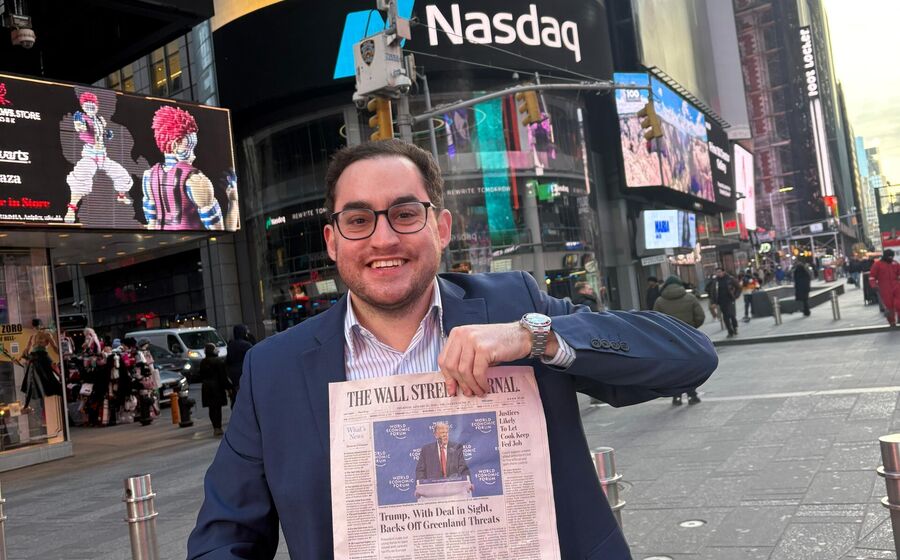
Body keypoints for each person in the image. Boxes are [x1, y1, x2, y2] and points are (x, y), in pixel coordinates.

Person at [187, 140, 717, 559]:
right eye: (358, 220)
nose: (382, 239)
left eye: (405, 213)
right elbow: (224, 535)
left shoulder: (516, 305)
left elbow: (690, 358)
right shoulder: (274, 370)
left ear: (441, 228)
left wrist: (535, 336)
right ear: (332, 241)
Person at [142, 105, 239, 231]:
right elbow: (221, 232)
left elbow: (151, 227)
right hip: (197, 241)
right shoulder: (196, 180)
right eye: (190, 147)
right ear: (175, 145)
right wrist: (233, 200)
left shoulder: (149, 176)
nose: (193, 156)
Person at [64, 91, 134, 224]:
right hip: (90, 155)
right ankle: (71, 210)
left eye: (92, 105)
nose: (90, 108)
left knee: (121, 173)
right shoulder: (82, 117)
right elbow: (81, 129)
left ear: (96, 106)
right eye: (87, 105)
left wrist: (107, 134)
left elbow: (102, 133)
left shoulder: (100, 120)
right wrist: (80, 126)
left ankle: (121, 195)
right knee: (80, 177)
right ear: (83, 106)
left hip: (102, 155)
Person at [653, 276, 705, 405]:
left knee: (674, 368)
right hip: (688, 337)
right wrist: (691, 328)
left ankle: (676, 396)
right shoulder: (690, 298)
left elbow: (655, 321)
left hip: (669, 340)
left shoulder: (659, 301)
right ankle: (692, 394)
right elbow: (700, 316)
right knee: (689, 367)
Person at [198, 342, 230, 436]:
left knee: (211, 408)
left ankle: (215, 427)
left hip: (206, 387)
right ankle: (218, 427)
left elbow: (200, 375)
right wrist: (228, 387)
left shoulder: (203, 362)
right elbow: (223, 376)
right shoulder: (218, 361)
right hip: (217, 387)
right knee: (217, 408)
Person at [868, 249, 900, 326]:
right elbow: (872, 276)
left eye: (892, 256)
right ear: (885, 256)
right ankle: (892, 321)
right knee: (889, 305)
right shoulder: (877, 264)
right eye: (889, 256)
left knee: (898, 303)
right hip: (884, 287)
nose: (891, 258)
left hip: (896, 286)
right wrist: (874, 285)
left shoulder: (895, 263)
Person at [225, 324, 253, 408]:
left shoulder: (231, 345)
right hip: (244, 371)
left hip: (233, 373)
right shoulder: (247, 345)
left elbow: (228, 360)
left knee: (236, 392)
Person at [709, 267, 740, 337]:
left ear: (723, 272)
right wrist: (713, 302)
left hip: (730, 299)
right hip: (721, 301)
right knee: (725, 317)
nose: (718, 273)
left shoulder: (730, 279)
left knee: (732, 315)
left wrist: (736, 296)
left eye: (719, 272)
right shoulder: (715, 281)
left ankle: (735, 327)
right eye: (717, 272)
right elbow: (713, 292)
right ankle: (730, 331)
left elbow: (738, 287)